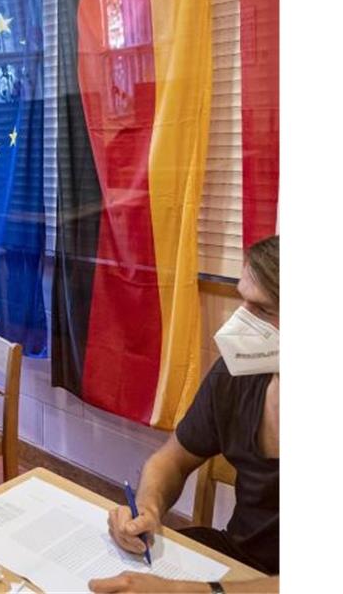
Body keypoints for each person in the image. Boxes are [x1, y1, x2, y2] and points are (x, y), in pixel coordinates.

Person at [90, 236, 280, 594]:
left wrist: (183, 592)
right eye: (242, 301)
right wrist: (147, 506)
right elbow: (171, 462)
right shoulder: (236, 377)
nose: (239, 323)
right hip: (237, 561)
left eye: (262, 310)